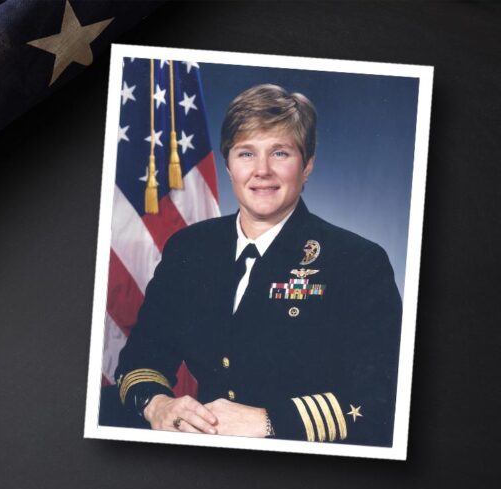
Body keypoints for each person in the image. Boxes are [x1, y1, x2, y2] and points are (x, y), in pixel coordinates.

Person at [114, 84, 402, 446]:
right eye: (246, 153)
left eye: (280, 153)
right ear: (229, 165)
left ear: (307, 165)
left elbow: (378, 399)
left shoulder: (358, 262)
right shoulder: (189, 249)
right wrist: (157, 404)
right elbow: (142, 356)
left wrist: (269, 422)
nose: (261, 170)